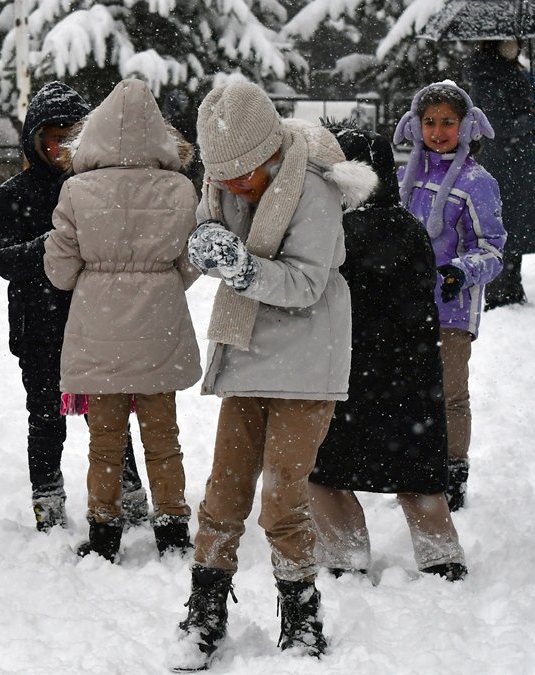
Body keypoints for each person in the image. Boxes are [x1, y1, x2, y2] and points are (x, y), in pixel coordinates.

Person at [170, 78, 377, 670]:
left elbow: (308, 283)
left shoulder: (312, 188)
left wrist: (239, 267)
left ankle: (302, 614)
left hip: (309, 358)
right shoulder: (224, 180)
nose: (233, 185)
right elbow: (207, 241)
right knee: (223, 491)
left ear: (273, 152)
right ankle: (205, 609)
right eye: (223, 174)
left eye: (244, 172)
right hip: (247, 350)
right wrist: (205, 245)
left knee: (284, 495)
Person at [43, 79, 200, 562]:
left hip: (99, 331)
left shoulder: (77, 190)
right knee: (163, 437)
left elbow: (60, 271)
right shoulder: (179, 188)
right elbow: (190, 262)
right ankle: (173, 528)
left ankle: (105, 530)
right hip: (161, 328)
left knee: (104, 440)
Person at [310, 121, 467, 583]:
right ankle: (442, 558)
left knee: (324, 473)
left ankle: (345, 558)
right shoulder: (410, 228)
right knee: (418, 480)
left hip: (351, 380)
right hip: (412, 381)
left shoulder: (337, 235)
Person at [0, 81, 148, 533]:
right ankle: (48, 501)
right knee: (45, 418)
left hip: (96, 324)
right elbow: (2, 259)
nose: (59, 147)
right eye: (51, 137)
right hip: (38, 327)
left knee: (110, 417)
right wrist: (52, 248)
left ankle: (130, 493)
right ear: (35, 140)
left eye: (70, 136)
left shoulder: (100, 187)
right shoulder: (14, 194)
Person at [393, 80, 507, 512]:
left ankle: (452, 472)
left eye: (448, 122)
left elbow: (492, 248)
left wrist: (461, 271)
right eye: (429, 122)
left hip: (451, 311)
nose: (438, 131)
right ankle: (413, 467)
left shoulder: (478, 182)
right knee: (405, 391)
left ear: (467, 125)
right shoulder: (405, 177)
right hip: (404, 309)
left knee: (449, 394)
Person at [468, 40, 535, 308]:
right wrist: (531, 119)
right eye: (508, 41)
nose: (514, 45)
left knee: (517, 225)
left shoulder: (515, 71)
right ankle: (502, 290)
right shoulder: (488, 75)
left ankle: (512, 285)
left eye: (517, 41)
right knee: (505, 224)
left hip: (519, 162)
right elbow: (498, 124)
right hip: (505, 162)